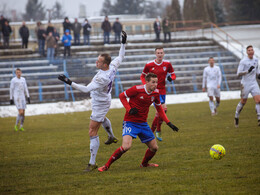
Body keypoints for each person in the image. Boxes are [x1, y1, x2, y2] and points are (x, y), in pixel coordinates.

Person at [58, 31, 127, 171]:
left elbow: (85, 89)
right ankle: (111, 136)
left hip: (100, 102)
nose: (97, 62)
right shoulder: (112, 66)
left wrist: (69, 82)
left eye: (99, 61)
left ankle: (92, 162)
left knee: (92, 131)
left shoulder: (102, 78)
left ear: (105, 64)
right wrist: (123, 43)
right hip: (103, 98)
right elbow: (121, 55)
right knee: (100, 120)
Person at [98, 73, 179, 172]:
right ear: (147, 82)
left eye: (156, 82)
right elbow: (122, 96)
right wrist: (129, 109)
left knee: (154, 148)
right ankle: (106, 166)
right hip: (130, 122)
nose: (155, 84)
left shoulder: (156, 93)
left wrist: (168, 122)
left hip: (143, 124)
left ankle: (144, 164)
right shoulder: (137, 89)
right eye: (153, 82)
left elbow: (159, 109)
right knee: (126, 146)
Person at [140, 47, 176, 141]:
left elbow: (173, 74)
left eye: (161, 53)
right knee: (162, 110)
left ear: (163, 54)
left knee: (162, 111)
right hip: (153, 91)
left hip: (162, 91)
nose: (160, 54)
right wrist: (146, 85)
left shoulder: (167, 64)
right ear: (155, 54)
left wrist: (171, 78)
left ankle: (155, 130)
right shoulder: (149, 65)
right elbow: (142, 76)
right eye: (158, 53)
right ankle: (155, 131)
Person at [234, 45, 260, 127]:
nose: (251, 51)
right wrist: (247, 71)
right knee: (243, 102)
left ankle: (259, 118)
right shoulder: (243, 61)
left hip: (254, 83)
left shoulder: (256, 60)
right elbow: (238, 73)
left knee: (258, 100)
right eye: (249, 50)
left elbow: (258, 72)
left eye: (252, 50)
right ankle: (236, 116)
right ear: (247, 52)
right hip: (245, 84)